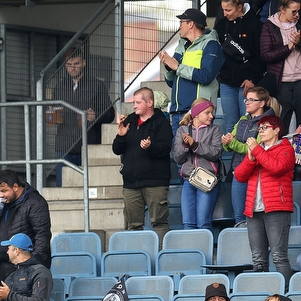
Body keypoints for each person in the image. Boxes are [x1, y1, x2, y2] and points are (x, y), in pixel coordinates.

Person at [234, 114, 295, 282]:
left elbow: (277, 167)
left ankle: (285, 295)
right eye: (259, 128)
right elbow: (239, 175)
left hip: (277, 208)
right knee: (258, 260)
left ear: (276, 130)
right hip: (254, 209)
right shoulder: (257, 151)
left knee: (278, 256)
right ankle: (262, 294)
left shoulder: (285, 148)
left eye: (264, 128)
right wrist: (251, 159)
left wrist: (257, 151)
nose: (260, 131)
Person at [112, 87, 174, 244]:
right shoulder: (129, 122)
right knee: (133, 226)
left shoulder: (161, 122)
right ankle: (137, 259)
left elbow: (166, 149)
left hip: (155, 182)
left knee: (159, 223)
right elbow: (116, 149)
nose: (134, 106)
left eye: (138, 102)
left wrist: (150, 147)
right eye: (134, 102)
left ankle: (161, 257)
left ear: (150, 102)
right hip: (131, 183)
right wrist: (121, 136)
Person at [0, 169, 51, 284]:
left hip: (24, 267)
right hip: (3, 267)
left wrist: (33, 265)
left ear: (15, 187)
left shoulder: (35, 202)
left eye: (4, 191)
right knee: (2, 300)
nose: (1, 195)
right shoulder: (4, 202)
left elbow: (42, 235)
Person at [160, 8, 225, 133]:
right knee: (178, 152)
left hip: (199, 112)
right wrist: (168, 67)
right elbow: (172, 82)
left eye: (181, 23)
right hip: (177, 110)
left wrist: (178, 67)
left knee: (199, 151)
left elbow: (206, 76)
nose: (179, 27)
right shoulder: (182, 45)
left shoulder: (212, 45)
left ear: (191, 24)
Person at [47, 47, 113, 167]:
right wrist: (52, 114)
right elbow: (54, 112)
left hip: (89, 145)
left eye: (76, 64)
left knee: (89, 184)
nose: (72, 68)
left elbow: (110, 113)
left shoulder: (97, 85)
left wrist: (96, 116)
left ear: (84, 62)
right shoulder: (59, 87)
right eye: (69, 64)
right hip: (64, 146)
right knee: (63, 184)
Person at [224, 86, 278, 226]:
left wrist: (233, 143)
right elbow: (231, 144)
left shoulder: (268, 122)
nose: (247, 102)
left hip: (257, 173)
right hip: (239, 170)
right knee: (240, 219)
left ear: (262, 103)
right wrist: (226, 142)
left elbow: (256, 149)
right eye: (246, 100)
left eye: (251, 100)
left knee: (257, 217)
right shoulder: (242, 119)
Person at [172, 99, 223, 230]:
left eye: (212, 113)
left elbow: (216, 153)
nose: (211, 116)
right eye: (207, 113)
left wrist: (195, 145)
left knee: (203, 223)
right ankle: (190, 250)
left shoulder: (215, 130)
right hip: (188, 179)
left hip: (207, 179)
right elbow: (177, 158)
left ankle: (204, 250)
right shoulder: (182, 130)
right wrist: (184, 146)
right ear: (196, 114)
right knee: (188, 223)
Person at [214, 0, 264, 123]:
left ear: (240, 7)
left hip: (247, 82)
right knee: (230, 124)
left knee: (248, 122)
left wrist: (252, 78)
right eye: (223, 10)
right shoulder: (221, 25)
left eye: (229, 10)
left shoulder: (255, 24)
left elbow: (260, 55)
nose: (225, 14)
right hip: (226, 81)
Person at [260, 0, 301, 127]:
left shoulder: (299, 24)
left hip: (300, 79)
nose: (297, 15)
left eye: (299, 11)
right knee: (283, 121)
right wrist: (289, 47)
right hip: (281, 81)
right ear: (282, 9)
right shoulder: (269, 26)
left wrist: (298, 42)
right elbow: (266, 55)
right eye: (294, 11)